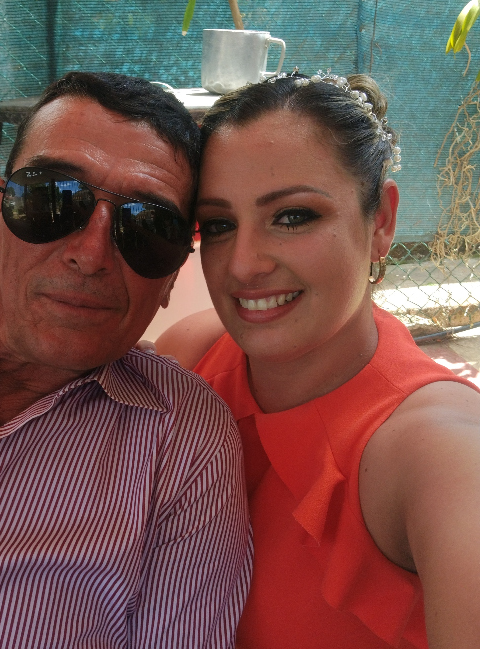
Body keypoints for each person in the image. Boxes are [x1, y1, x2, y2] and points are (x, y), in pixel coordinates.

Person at [0, 71, 251, 649]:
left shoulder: (181, 444)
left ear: (172, 276)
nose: (90, 255)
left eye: (147, 226)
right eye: (52, 199)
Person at [156, 69, 480, 648]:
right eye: (220, 225)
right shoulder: (192, 356)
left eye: (293, 216)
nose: (244, 264)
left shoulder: (437, 452)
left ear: (380, 222)